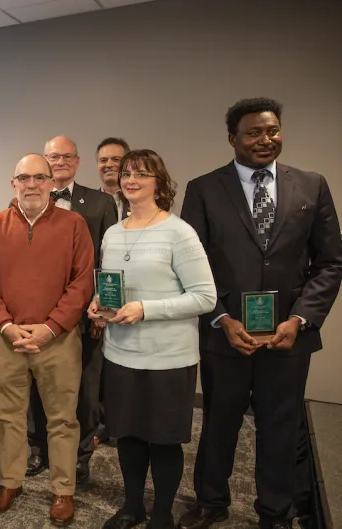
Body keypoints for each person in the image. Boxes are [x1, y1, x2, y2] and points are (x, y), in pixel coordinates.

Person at [179, 98, 342, 529]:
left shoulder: (312, 185)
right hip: (225, 332)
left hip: (289, 334)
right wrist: (222, 318)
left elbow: (330, 263)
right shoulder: (204, 189)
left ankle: (275, 512)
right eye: (253, 133)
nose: (265, 140)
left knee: (281, 428)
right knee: (219, 423)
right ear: (232, 138)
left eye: (272, 130)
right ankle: (211, 501)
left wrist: (300, 319)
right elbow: (192, 267)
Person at [87, 149, 217, 529]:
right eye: (126, 173)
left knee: (162, 440)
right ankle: (132, 507)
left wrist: (146, 309)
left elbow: (205, 297)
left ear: (159, 183)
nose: (130, 180)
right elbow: (114, 289)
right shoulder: (112, 233)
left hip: (168, 359)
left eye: (141, 174)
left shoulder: (178, 232)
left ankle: (161, 514)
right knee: (127, 437)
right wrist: (100, 305)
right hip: (121, 353)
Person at [0, 153, 94, 525]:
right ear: (13, 184)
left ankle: (63, 490)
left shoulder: (74, 225)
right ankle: (10, 482)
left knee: (62, 419)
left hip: (57, 340)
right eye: (23, 178)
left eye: (39, 178)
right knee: (9, 417)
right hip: (6, 338)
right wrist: (7, 327)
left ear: (51, 183)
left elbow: (82, 282)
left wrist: (52, 327)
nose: (31, 185)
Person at [27, 136, 118, 484]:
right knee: (36, 383)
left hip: (86, 313)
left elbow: (107, 262)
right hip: (37, 313)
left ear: (77, 162)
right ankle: (37, 447)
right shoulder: (27, 200)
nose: (60, 161)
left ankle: (80, 456)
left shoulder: (99, 203)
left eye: (66, 156)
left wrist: (104, 311)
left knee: (85, 388)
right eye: (53, 156)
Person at [96, 137, 131, 219]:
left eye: (116, 159)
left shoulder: (138, 201)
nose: (109, 165)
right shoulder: (88, 203)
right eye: (103, 160)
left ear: (128, 164)